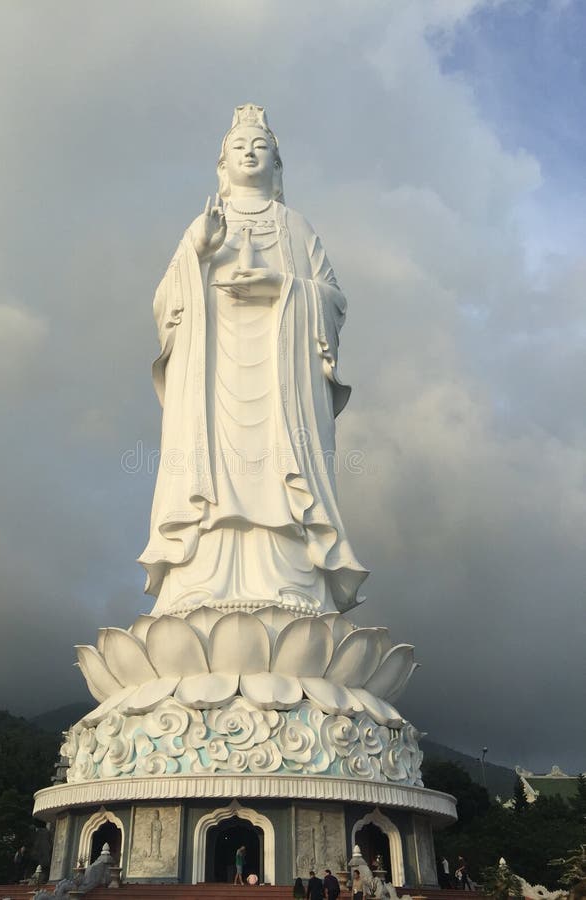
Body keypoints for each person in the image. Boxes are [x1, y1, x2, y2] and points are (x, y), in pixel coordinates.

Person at [139, 103, 368, 617]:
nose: (249, 152)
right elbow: (164, 306)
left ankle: (291, 579)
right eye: (239, 147)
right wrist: (197, 252)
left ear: (277, 166)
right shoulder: (201, 227)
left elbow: (333, 301)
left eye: (260, 146)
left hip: (281, 376)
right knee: (212, 474)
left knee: (280, 472)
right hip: (212, 374)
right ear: (222, 166)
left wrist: (281, 286)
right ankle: (199, 581)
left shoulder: (296, 227)